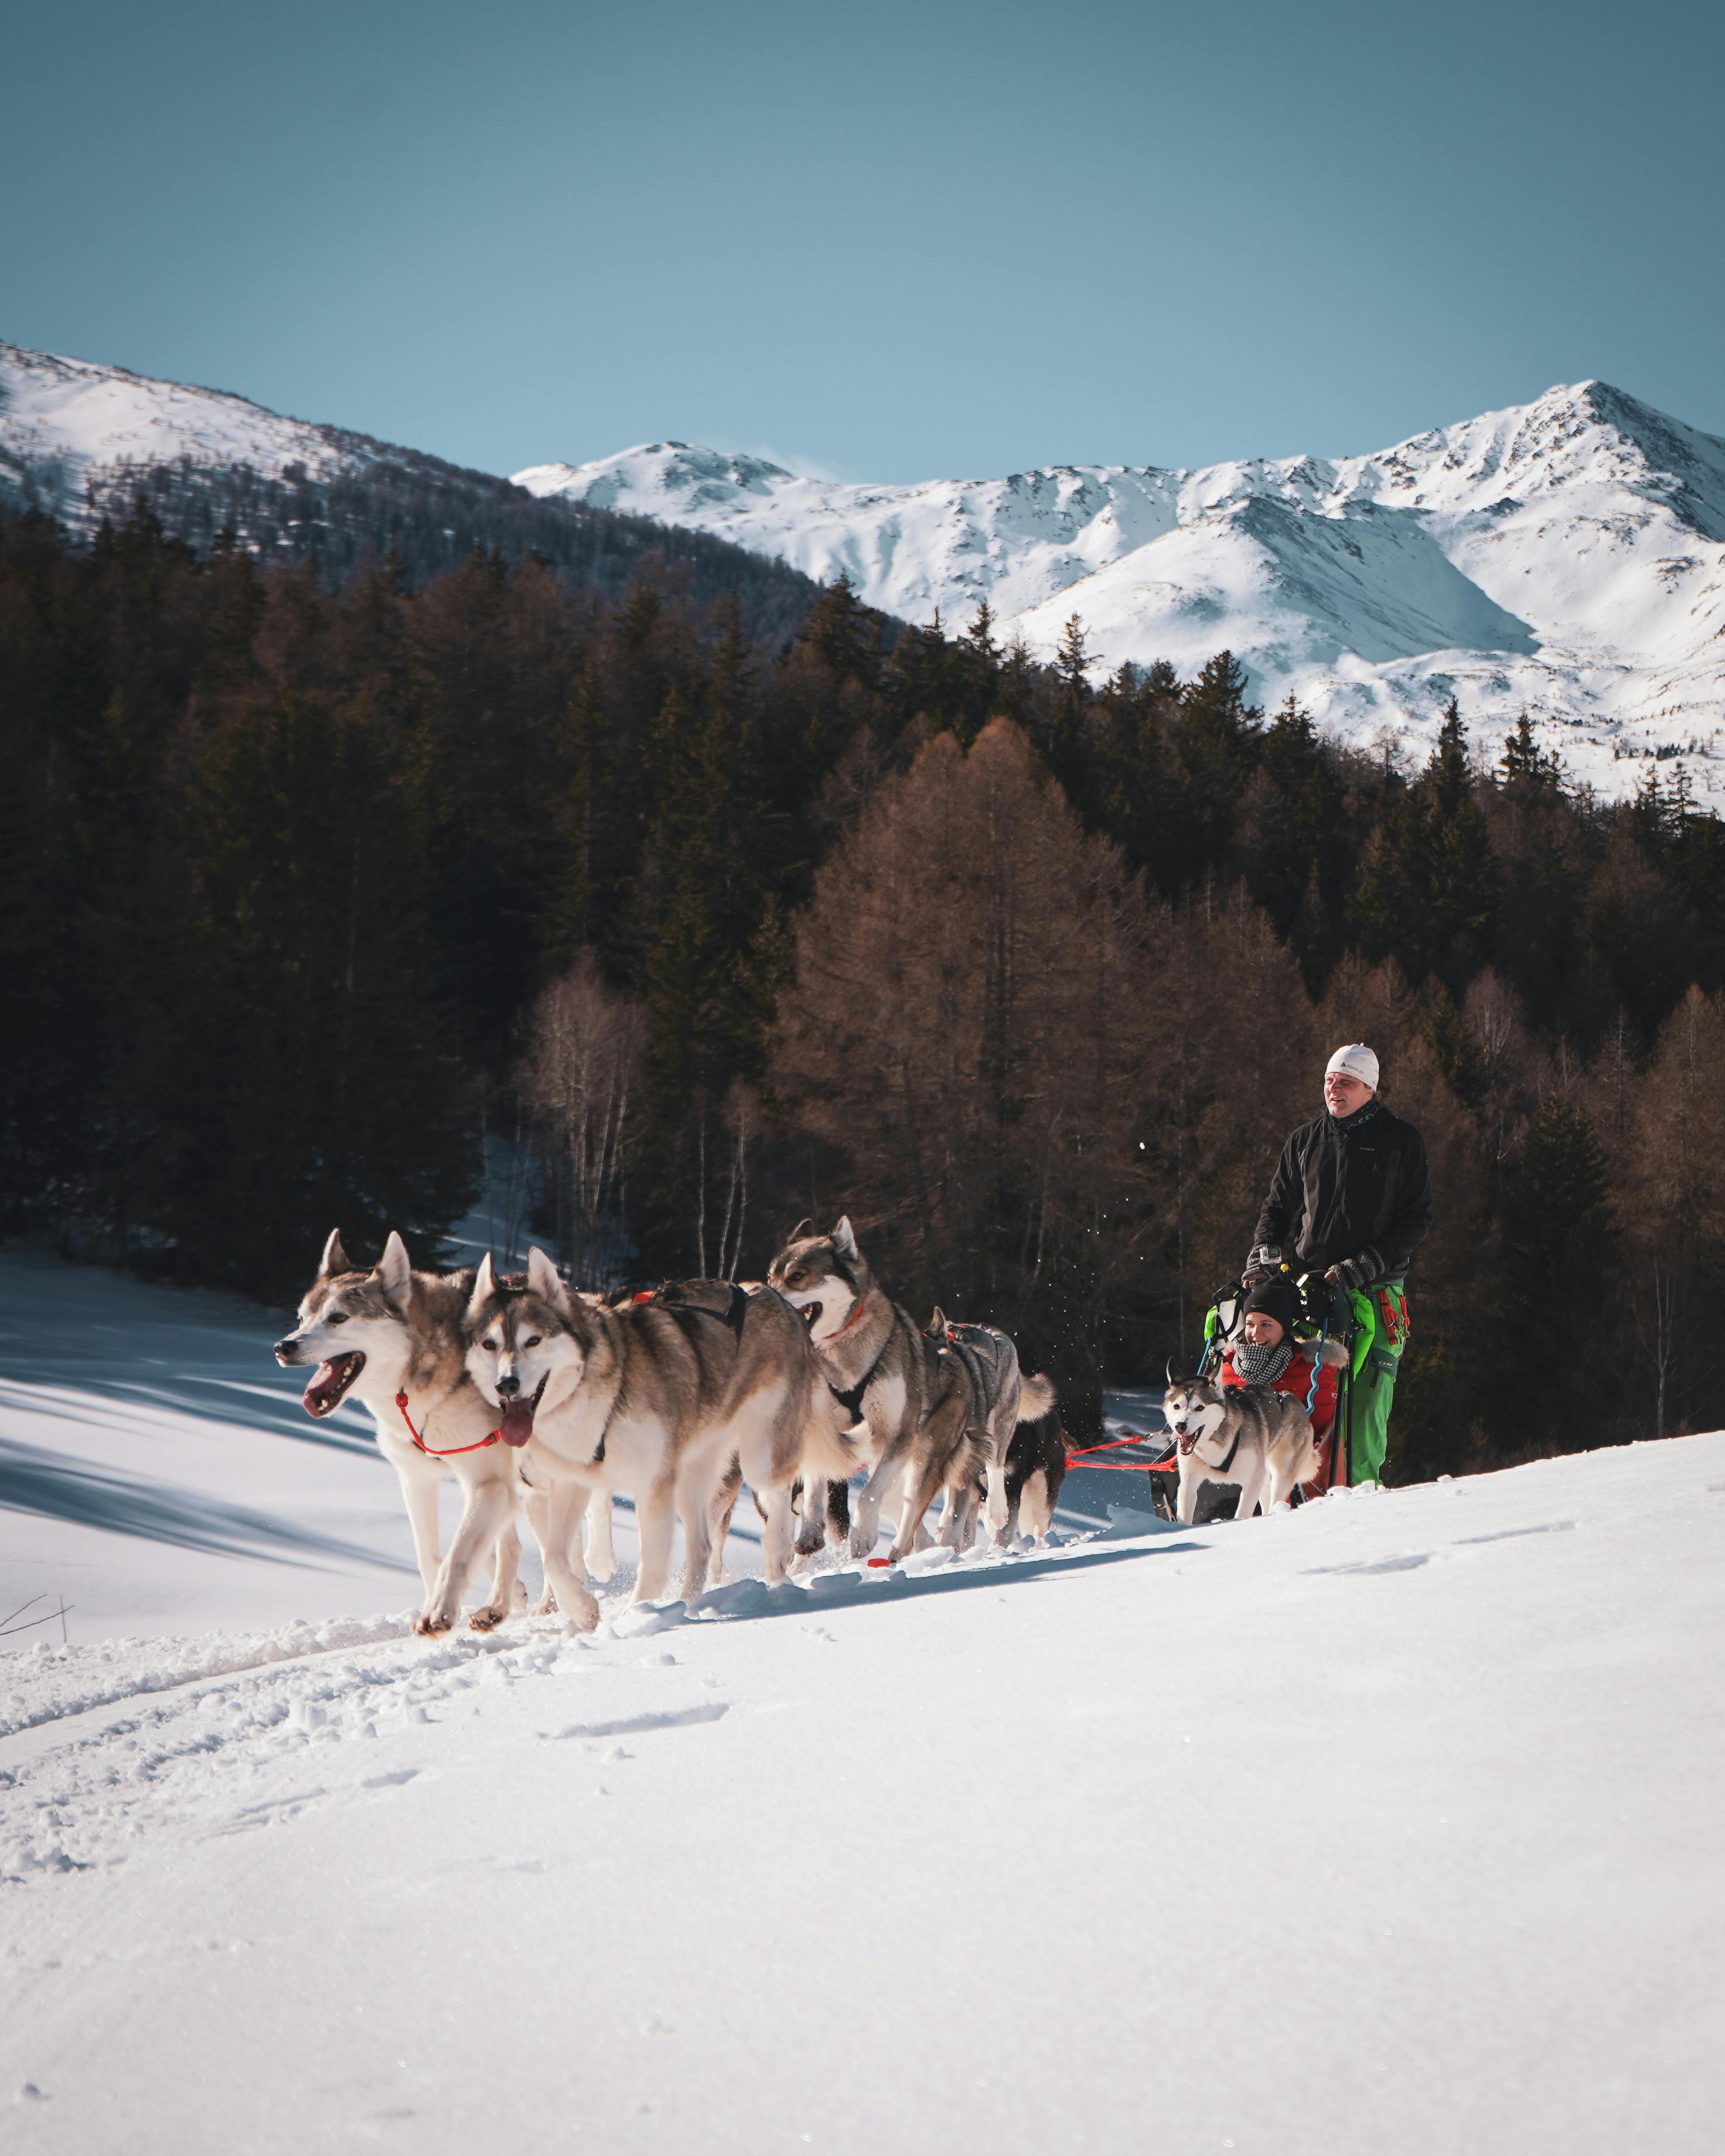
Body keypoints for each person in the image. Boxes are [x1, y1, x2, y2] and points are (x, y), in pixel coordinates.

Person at [1242, 1043, 1432, 1485]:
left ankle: (1361, 1502)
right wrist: (1265, 1248)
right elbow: (1277, 1208)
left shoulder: (1401, 1141)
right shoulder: (1305, 1140)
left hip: (1376, 1295)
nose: (1334, 1089)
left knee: (1363, 1416)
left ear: (1369, 1088)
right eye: (1329, 1081)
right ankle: (1291, 1504)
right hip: (1311, 1294)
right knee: (1303, 1411)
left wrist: (1367, 1264)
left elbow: (1416, 1219)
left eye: (1345, 1082)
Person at [1216, 1275, 1345, 1498]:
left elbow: (1322, 1434)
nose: (1255, 1334)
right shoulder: (1228, 1367)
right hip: (1233, 1481)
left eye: (1266, 1325)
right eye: (1250, 1324)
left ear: (1284, 1329)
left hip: (1293, 1480)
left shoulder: (1311, 1369)